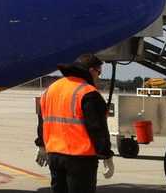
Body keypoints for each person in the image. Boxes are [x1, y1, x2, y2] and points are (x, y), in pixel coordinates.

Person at [35, 53, 114, 193]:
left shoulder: (50, 89)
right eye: (99, 73)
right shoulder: (88, 92)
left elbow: (43, 121)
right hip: (80, 159)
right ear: (91, 71)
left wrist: (41, 144)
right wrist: (106, 155)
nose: (99, 77)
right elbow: (97, 128)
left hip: (55, 155)